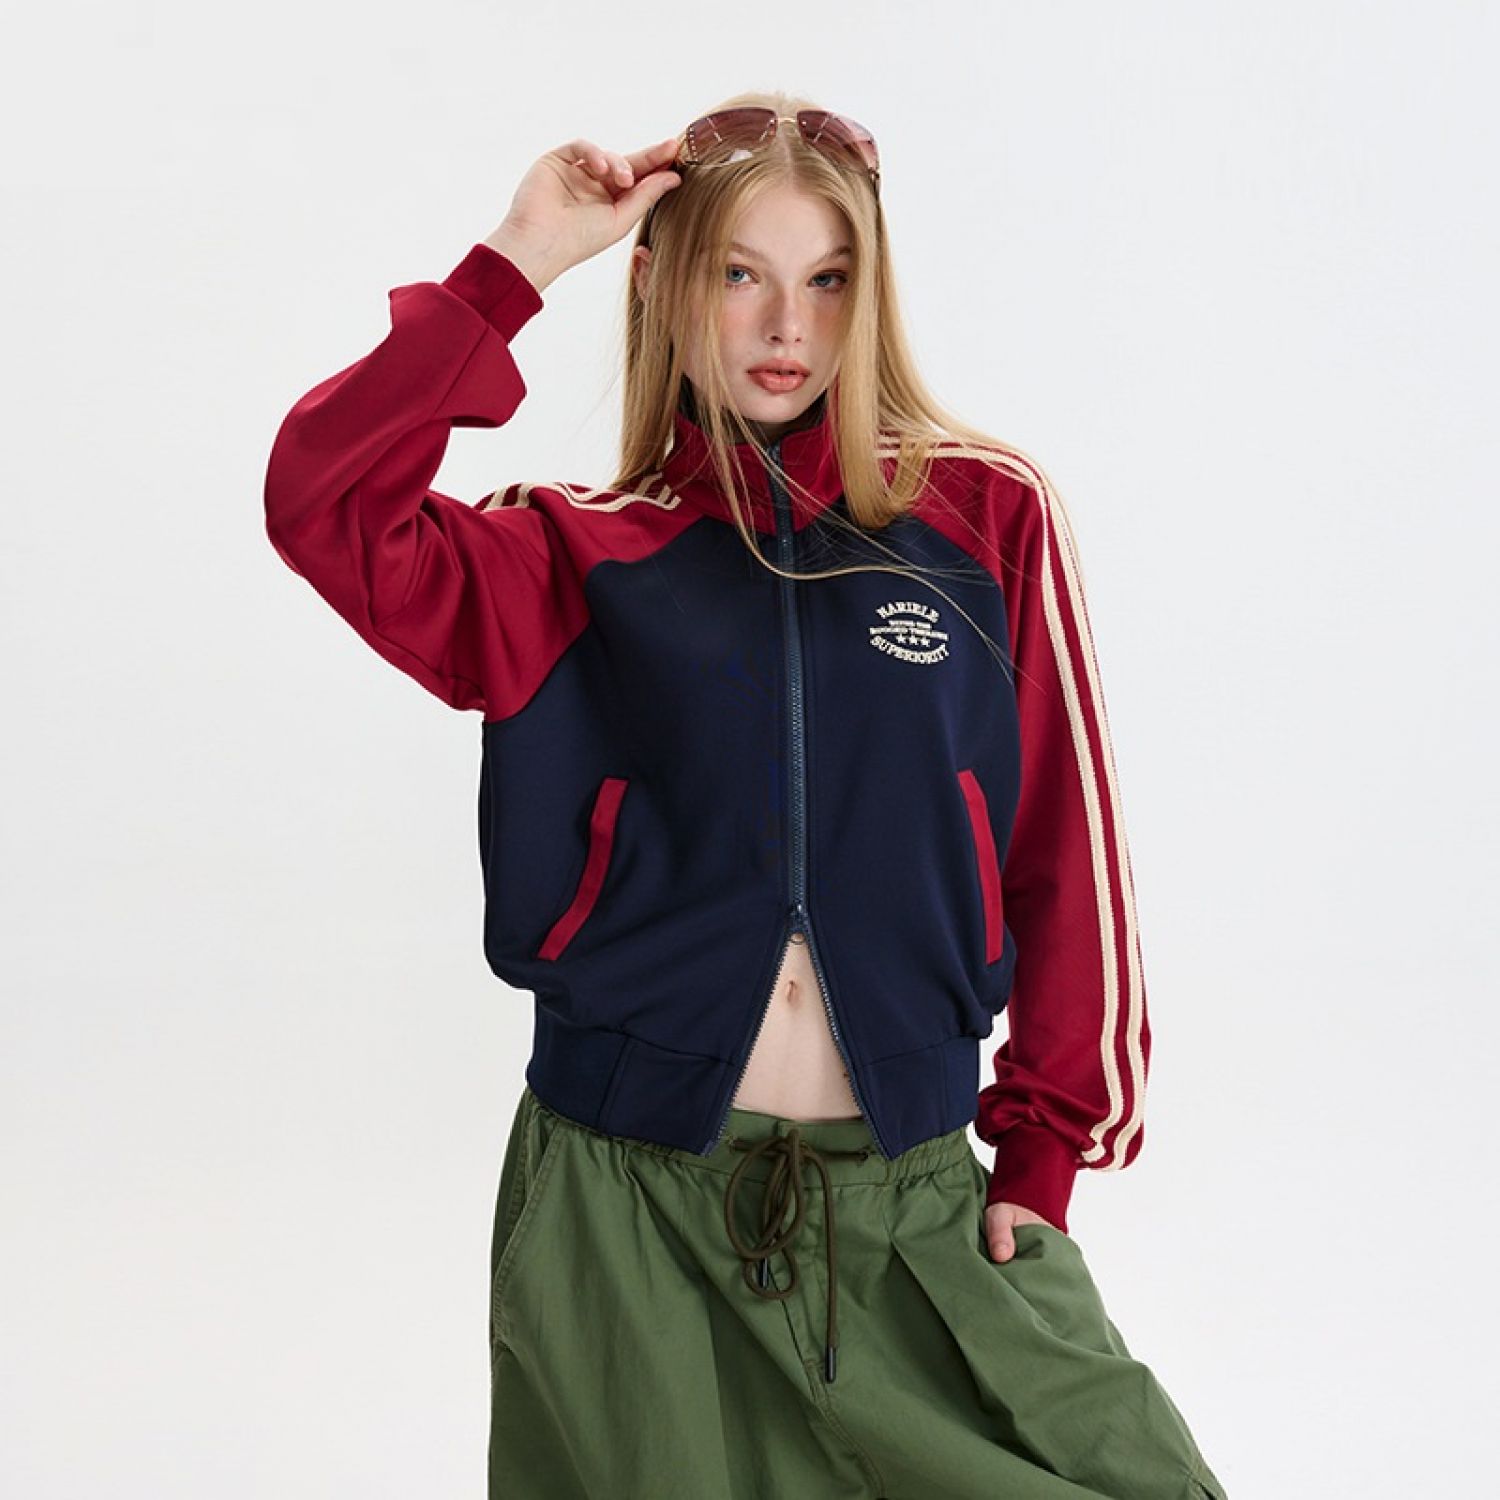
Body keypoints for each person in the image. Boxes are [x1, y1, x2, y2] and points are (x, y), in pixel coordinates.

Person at [264, 89, 1228, 1500]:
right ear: (664, 285)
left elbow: (1064, 852)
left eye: (828, 280)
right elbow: (323, 505)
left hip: (913, 1209)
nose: (788, 327)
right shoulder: (568, 557)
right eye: (739, 275)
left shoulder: (983, 523)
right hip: (622, 1221)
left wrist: (1040, 1158)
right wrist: (516, 264)